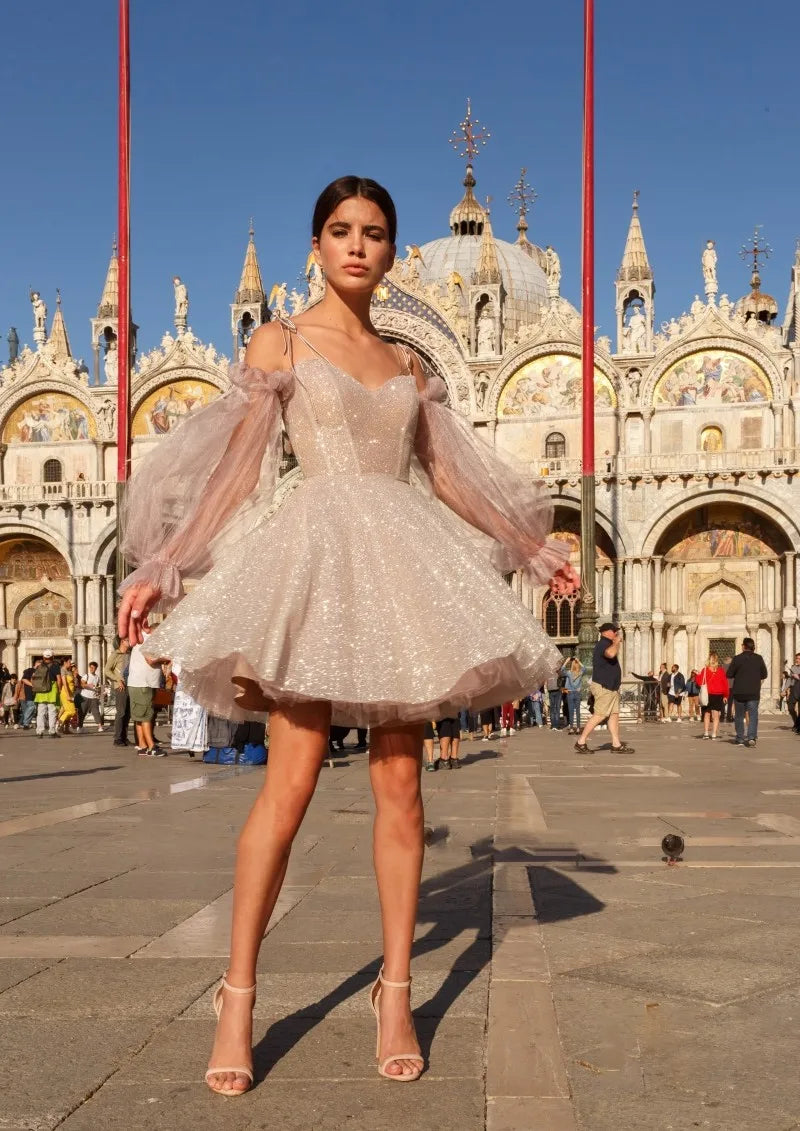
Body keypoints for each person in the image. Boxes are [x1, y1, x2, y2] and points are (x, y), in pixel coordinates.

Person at [116, 176, 577, 1095]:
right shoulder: (281, 340)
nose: (357, 246)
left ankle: (395, 992)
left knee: (402, 786)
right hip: (314, 562)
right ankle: (238, 993)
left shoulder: (410, 364)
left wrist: (530, 545)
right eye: (340, 231)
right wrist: (168, 560)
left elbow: (447, 475)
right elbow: (242, 461)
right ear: (316, 246)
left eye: (373, 233)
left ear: (394, 252)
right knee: (286, 786)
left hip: (401, 566)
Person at [575, 623, 634, 754]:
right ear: (606, 632)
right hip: (604, 686)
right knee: (600, 715)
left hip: (611, 687)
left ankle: (616, 744)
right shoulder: (603, 644)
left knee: (614, 715)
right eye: (614, 631)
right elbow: (610, 654)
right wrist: (617, 642)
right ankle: (581, 741)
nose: (616, 634)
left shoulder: (606, 643)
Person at [127, 630, 166, 757]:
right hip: (143, 684)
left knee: (140, 716)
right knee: (146, 716)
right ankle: (151, 747)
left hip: (139, 683)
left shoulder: (141, 639)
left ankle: (143, 746)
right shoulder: (147, 640)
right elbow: (150, 660)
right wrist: (166, 658)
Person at [726, 637, 768, 747]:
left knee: (739, 716)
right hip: (753, 692)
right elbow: (764, 674)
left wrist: (738, 673)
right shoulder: (758, 658)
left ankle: (740, 738)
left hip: (739, 692)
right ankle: (751, 737)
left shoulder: (737, 658)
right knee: (753, 715)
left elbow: (729, 674)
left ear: (744, 646)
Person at [104, 639, 131, 748]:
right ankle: (117, 738)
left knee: (128, 713)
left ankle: (124, 737)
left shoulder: (129, 654)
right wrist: (117, 679)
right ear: (122, 641)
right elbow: (107, 670)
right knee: (121, 712)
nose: (130, 642)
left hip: (130, 685)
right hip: (120, 687)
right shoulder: (115, 654)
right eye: (128, 640)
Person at [696, 652, 729, 740]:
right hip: (717, 695)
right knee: (715, 715)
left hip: (708, 694)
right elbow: (725, 683)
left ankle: (707, 733)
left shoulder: (705, 670)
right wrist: (726, 695)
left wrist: (698, 675)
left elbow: (700, 683)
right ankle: (713, 734)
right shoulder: (720, 670)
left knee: (707, 714)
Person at [33, 651, 62, 738]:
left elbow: (33, 678)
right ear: (52, 657)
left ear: (43, 657)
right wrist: (60, 689)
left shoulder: (39, 666)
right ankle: (52, 731)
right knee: (52, 711)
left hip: (41, 691)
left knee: (41, 712)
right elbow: (59, 679)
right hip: (52, 689)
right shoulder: (55, 666)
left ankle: (39, 732)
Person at [79, 662, 105, 731]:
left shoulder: (97, 677)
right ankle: (80, 727)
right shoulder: (86, 675)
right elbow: (82, 684)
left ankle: (100, 726)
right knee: (82, 712)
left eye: (93, 668)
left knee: (96, 712)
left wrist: (99, 691)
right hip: (85, 697)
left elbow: (98, 687)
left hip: (94, 697)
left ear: (96, 668)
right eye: (90, 667)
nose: (91, 669)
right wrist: (88, 685)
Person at [562, 657, 584, 735]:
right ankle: (578, 728)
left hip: (570, 693)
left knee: (571, 711)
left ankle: (571, 729)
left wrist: (566, 661)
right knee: (578, 711)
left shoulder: (569, 673)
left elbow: (562, 670)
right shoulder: (580, 672)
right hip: (577, 693)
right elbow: (584, 668)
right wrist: (579, 661)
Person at [787, 652, 800, 735]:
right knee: (790, 708)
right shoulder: (793, 667)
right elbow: (789, 679)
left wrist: (798, 677)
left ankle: (798, 726)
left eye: (799, 659)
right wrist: (784, 689)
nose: (797, 660)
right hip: (794, 689)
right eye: (796, 658)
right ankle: (796, 723)